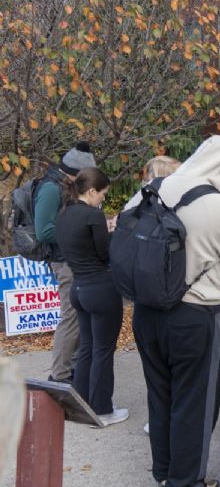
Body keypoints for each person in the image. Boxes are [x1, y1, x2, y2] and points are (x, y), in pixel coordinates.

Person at [129, 135, 220, 487]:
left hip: (146, 310)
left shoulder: (150, 190)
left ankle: (166, 474)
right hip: (195, 313)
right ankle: (186, 485)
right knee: (195, 404)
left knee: (161, 395)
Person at [54, 167, 127, 427]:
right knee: (103, 350)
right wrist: (114, 231)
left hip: (79, 288)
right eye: (103, 194)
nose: (103, 200)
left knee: (86, 347)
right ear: (92, 190)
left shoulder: (64, 214)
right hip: (101, 289)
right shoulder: (93, 216)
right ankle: (103, 409)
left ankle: (81, 402)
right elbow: (105, 253)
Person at [35, 142, 97, 383]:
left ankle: (71, 369)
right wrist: (78, 231)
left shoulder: (64, 185)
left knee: (78, 318)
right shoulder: (51, 188)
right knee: (70, 318)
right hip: (65, 262)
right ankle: (59, 376)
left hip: (74, 260)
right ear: (76, 173)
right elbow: (43, 231)